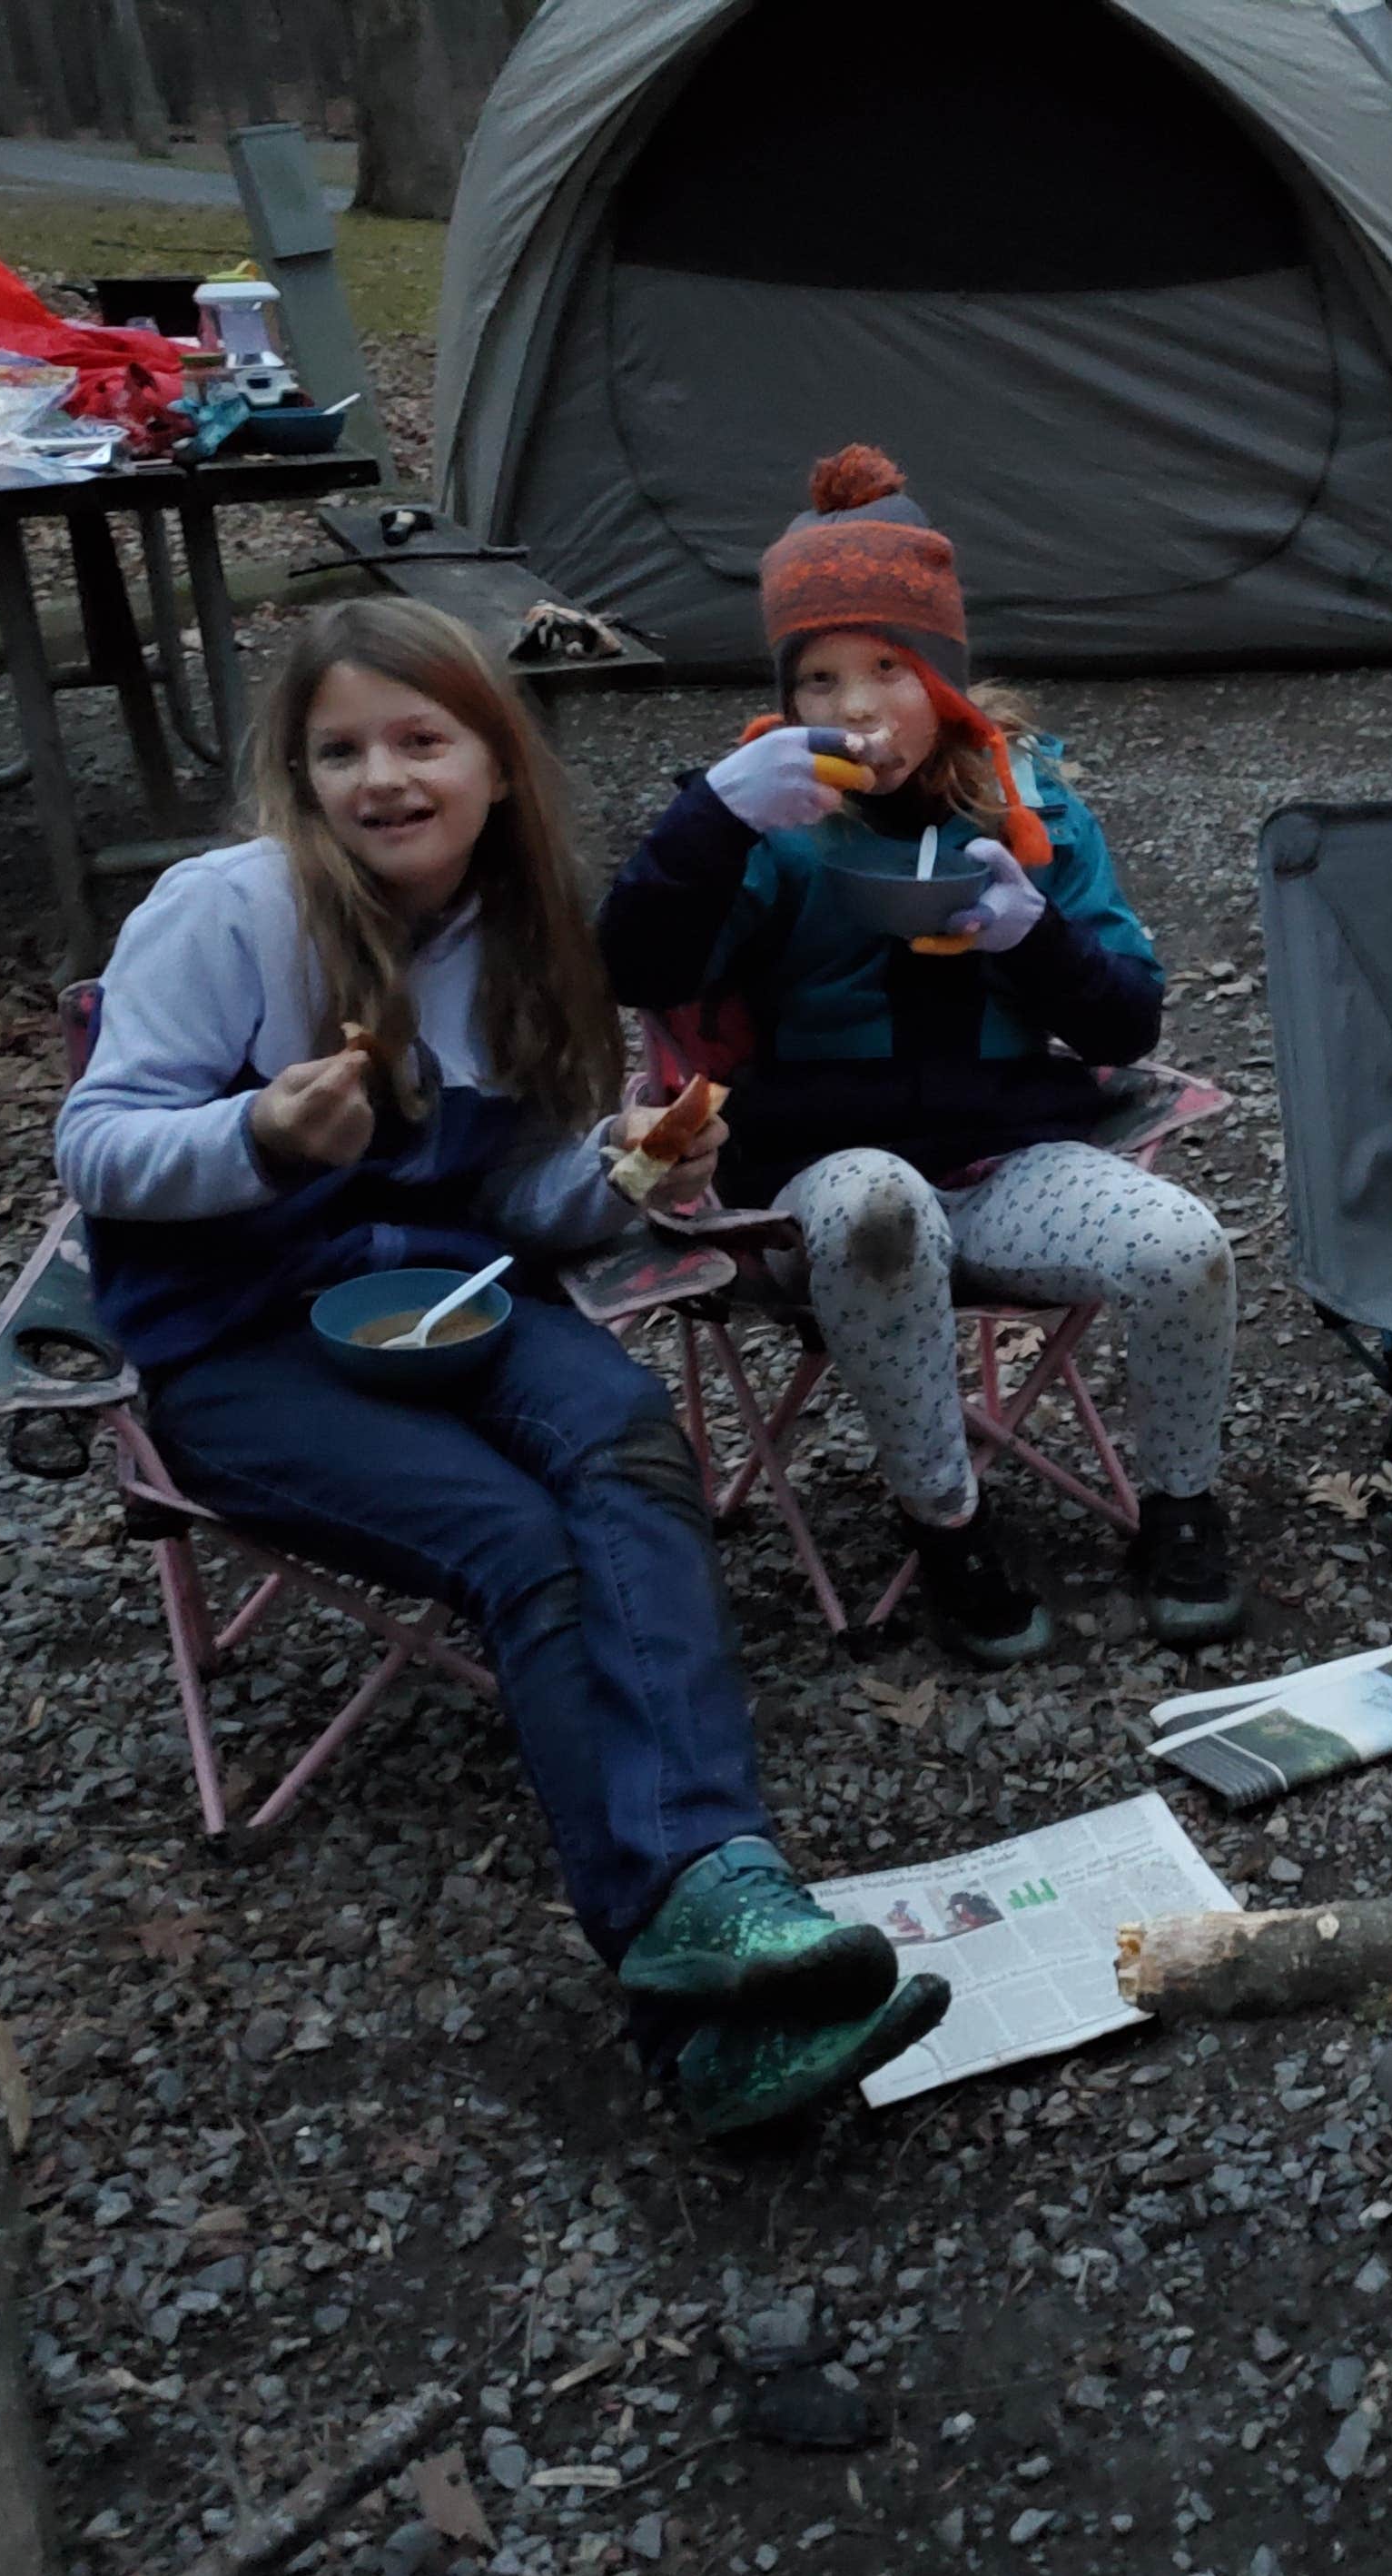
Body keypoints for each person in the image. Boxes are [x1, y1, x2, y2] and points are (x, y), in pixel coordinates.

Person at [54, 596, 950, 2137]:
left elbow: (521, 1203)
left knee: (623, 1436)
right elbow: (96, 1146)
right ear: (300, 774)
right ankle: (694, 2002)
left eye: (420, 738)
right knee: (517, 1541)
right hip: (237, 1335)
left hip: (443, 1296)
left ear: (493, 765)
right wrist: (258, 1129)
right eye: (340, 749)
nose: (380, 778)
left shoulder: (523, 936)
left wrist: (624, 1175)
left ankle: (724, 1886)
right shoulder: (226, 912)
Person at [597, 445, 1244, 1669]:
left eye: (886, 670)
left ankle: (1181, 1505)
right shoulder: (766, 823)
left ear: (940, 679)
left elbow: (1126, 1025)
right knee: (879, 1206)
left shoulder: (1029, 808)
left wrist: (1029, 936)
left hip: (1006, 1158)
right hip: (818, 1178)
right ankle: (946, 1525)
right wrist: (711, 817)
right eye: (819, 679)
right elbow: (637, 968)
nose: (851, 708)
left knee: (1183, 1245)